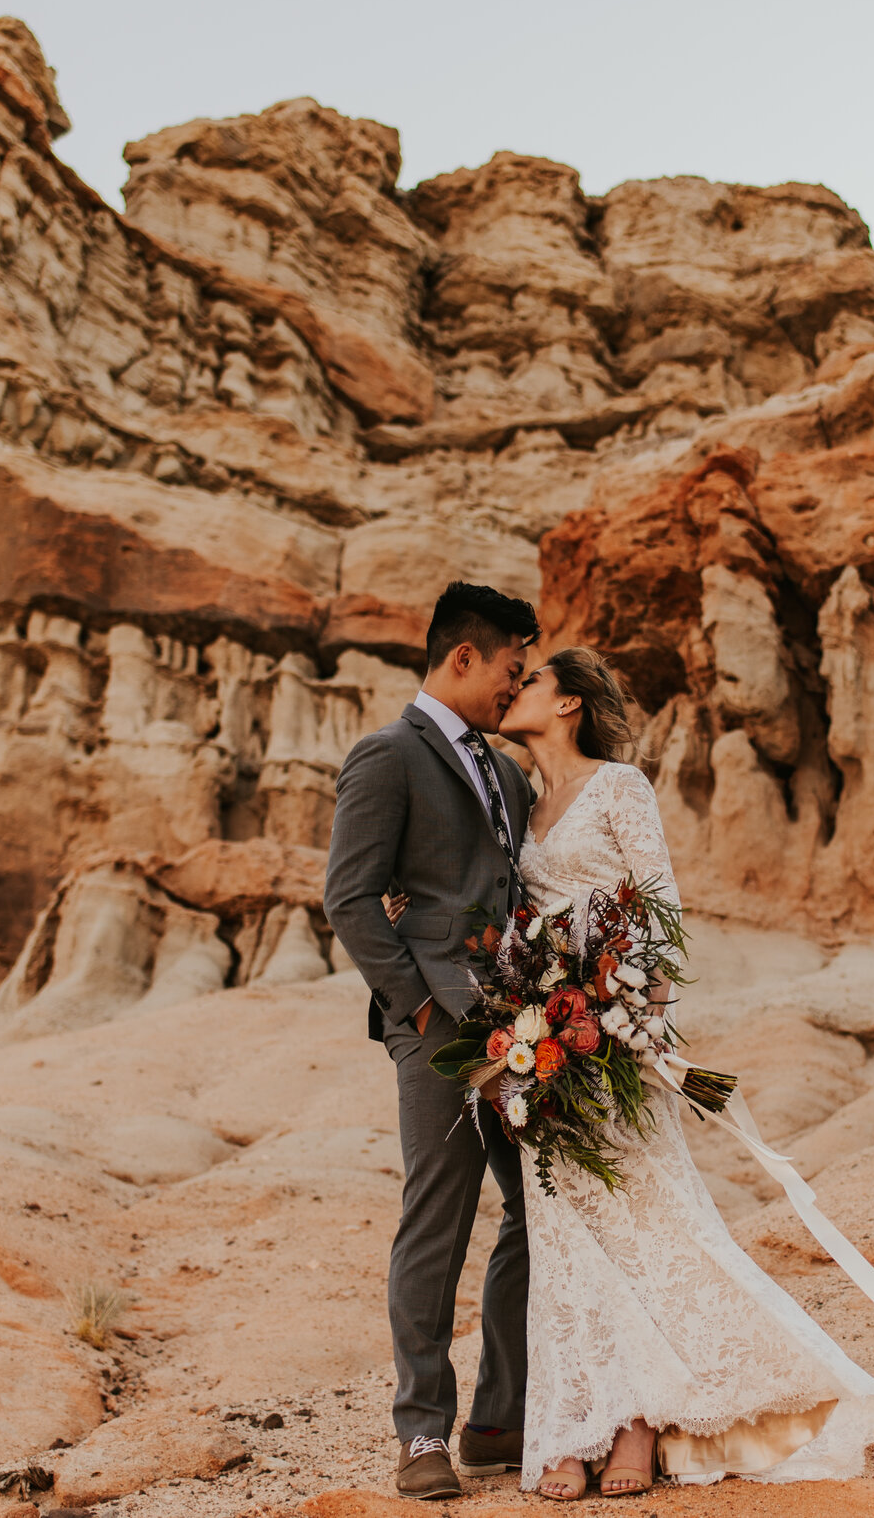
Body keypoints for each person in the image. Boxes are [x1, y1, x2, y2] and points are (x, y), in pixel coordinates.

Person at [495, 646, 874, 1499]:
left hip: (615, 1040)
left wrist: (624, 1017)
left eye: (529, 679)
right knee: (567, 1238)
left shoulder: (619, 787)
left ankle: (640, 1423)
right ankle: (575, 1424)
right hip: (544, 1047)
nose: (511, 686)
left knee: (642, 1221)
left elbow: (659, 906)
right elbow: (520, 926)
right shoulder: (525, 806)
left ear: (568, 704)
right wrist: (523, 1021)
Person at [322, 581, 541, 1500]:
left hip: (519, 1032)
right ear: (462, 657)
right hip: (439, 1036)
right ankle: (422, 1432)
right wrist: (418, 1012)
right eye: (509, 669)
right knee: (438, 1225)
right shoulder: (387, 756)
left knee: (542, 1214)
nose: (514, 687)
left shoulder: (506, 772)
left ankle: (497, 1419)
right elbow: (350, 895)